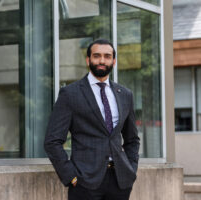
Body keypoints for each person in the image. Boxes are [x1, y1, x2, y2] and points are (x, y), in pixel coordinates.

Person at [44, 39, 140, 200]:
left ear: (114, 61)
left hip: (120, 181)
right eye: (97, 56)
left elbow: (132, 139)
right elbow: (52, 141)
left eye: (107, 56)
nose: (102, 61)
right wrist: (71, 177)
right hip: (84, 182)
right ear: (88, 60)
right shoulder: (70, 94)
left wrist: (131, 169)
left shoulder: (125, 94)